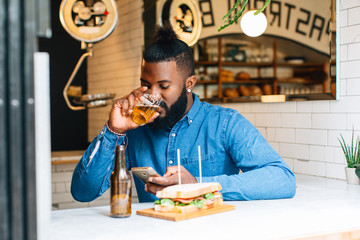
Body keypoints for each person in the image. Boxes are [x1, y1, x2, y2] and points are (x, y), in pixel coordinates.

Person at [71, 25, 296, 203]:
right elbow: (83, 192)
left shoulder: (225, 123)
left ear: (189, 83)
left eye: (164, 86)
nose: (152, 96)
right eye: (146, 85)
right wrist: (114, 131)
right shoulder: (134, 132)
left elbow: (282, 179)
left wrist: (198, 184)